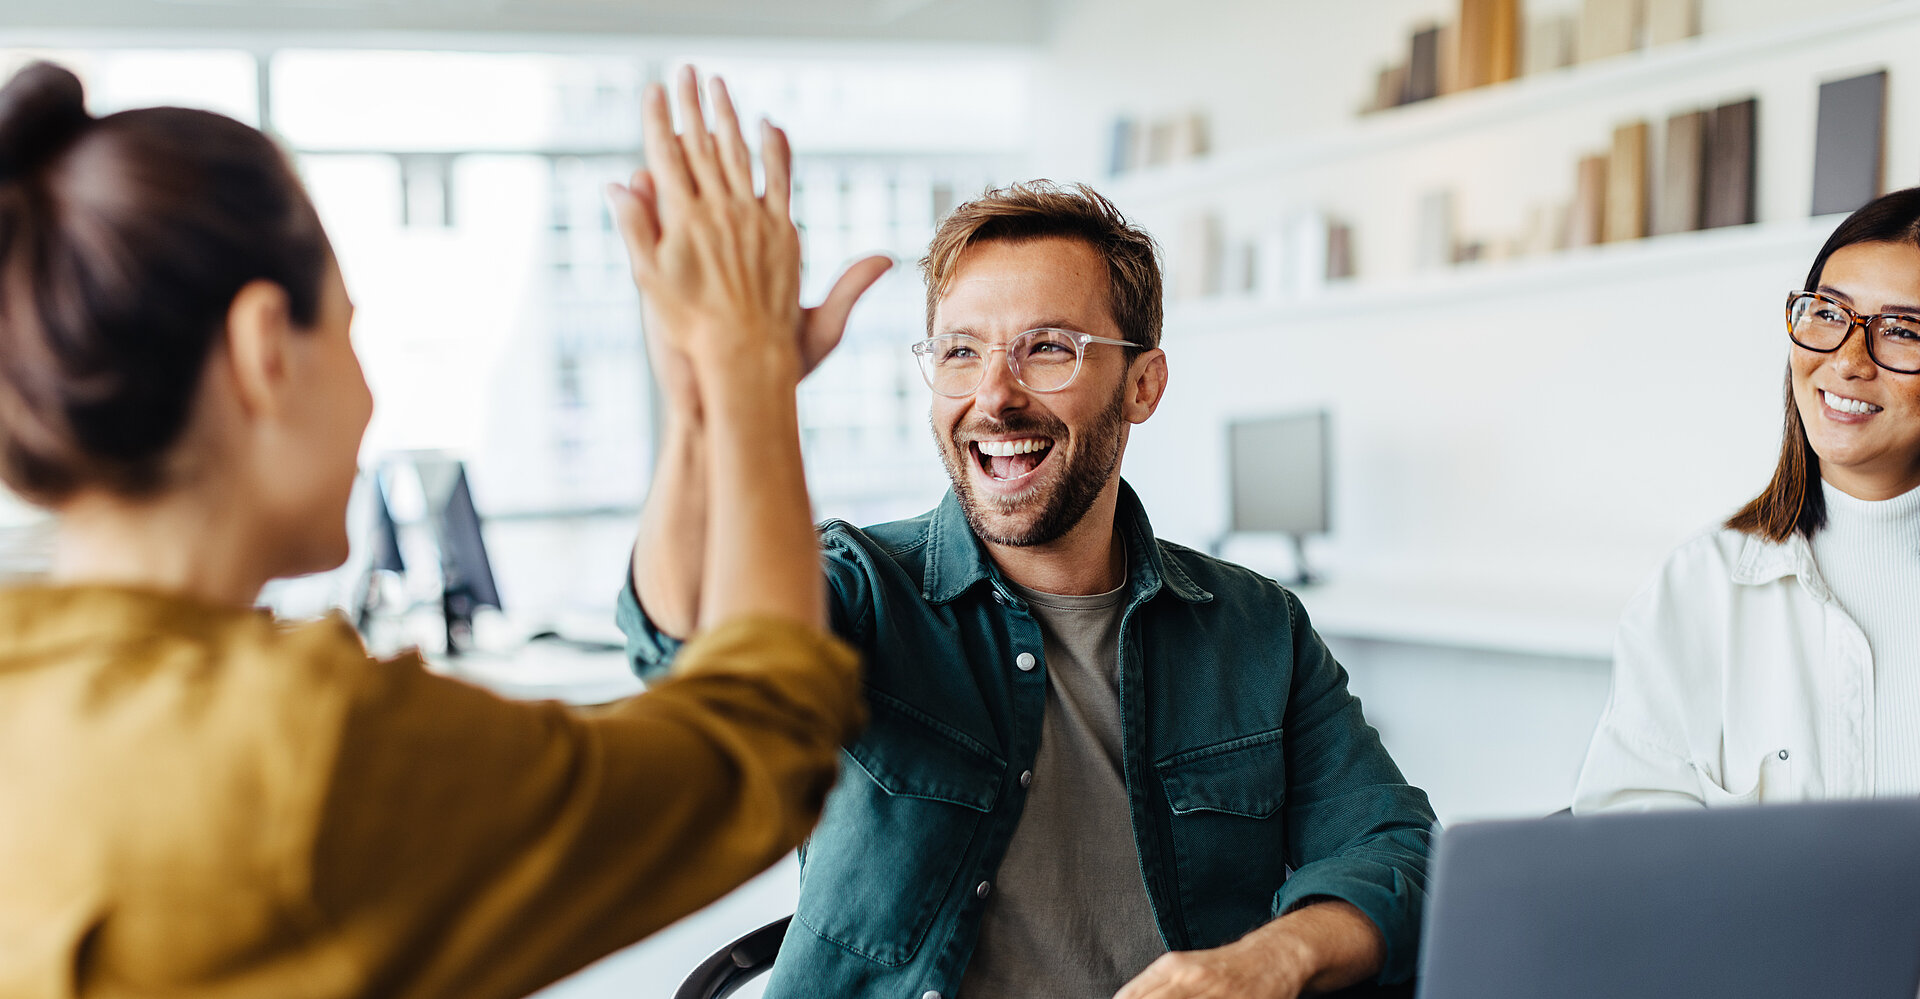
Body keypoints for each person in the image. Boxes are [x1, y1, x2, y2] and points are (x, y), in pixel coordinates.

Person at [0, 62, 872, 999]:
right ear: (264, 350)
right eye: (347, 331)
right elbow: (756, 745)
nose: (370, 395)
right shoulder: (302, 749)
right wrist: (746, 363)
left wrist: (706, 405)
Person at [623, 180, 1437, 998]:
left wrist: (1269, 958)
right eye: (961, 351)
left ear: (1143, 385)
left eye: (1047, 347)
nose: (996, 395)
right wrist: (707, 405)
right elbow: (688, 641)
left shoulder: (1257, 627)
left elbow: (1397, 848)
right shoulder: (864, 589)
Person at [1574, 187, 1920, 812]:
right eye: (1829, 314)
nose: (1846, 360)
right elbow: (1629, 854)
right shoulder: (1697, 588)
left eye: (1901, 330)